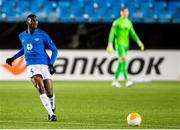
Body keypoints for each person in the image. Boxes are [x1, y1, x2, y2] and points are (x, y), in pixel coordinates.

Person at [6, 14, 58, 121]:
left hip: (44, 64)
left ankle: (52, 107)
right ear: (27, 22)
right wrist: (13, 58)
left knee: (50, 92)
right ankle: (51, 114)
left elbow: (55, 50)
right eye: (33, 21)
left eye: (36, 21)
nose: (35, 23)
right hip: (32, 65)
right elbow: (25, 49)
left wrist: (51, 64)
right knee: (40, 87)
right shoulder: (22, 36)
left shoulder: (43, 34)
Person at [106, 7, 144, 88]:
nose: (126, 13)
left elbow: (133, 34)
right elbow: (111, 33)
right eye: (124, 12)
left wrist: (139, 42)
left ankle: (115, 81)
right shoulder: (116, 22)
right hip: (119, 44)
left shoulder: (129, 22)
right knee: (123, 61)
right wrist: (110, 44)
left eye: (127, 12)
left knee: (121, 63)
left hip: (126, 45)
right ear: (121, 13)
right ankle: (126, 81)